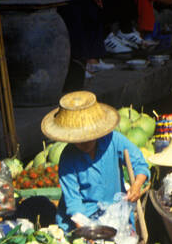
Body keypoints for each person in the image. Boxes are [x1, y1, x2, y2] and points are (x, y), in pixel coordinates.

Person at [40, 92, 149, 232]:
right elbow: (74, 202)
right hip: (82, 219)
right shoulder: (68, 157)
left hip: (116, 214)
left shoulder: (114, 140)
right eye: (78, 139)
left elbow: (139, 164)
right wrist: (87, 230)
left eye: (88, 137)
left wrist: (137, 185)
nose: (84, 142)